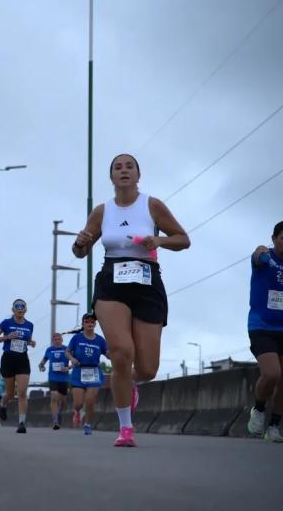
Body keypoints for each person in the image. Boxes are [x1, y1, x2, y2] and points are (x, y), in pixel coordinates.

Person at [73, 153, 190, 447]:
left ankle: (132, 382)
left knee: (148, 368)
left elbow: (183, 239)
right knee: (121, 352)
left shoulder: (152, 205)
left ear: (139, 175)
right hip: (112, 281)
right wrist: (80, 243)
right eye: (117, 167)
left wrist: (160, 240)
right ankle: (125, 428)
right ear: (111, 177)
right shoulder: (102, 211)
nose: (123, 171)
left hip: (147, 282)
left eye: (129, 167)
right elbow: (80, 251)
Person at [247, 221, 283, 442]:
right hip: (262, 326)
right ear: (274, 239)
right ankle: (259, 409)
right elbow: (257, 256)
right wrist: (259, 251)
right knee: (272, 373)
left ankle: (275, 426)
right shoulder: (265, 258)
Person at [0, 299, 36, 433]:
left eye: (22, 307)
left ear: (25, 310)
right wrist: (7, 337)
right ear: (13, 310)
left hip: (22, 359)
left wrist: (31, 342)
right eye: (17, 307)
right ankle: (4, 403)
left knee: (22, 392)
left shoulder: (29, 325)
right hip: (8, 359)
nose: (20, 309)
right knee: (10, 394)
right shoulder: (6, 323)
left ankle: (22, 423)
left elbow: (26, 340)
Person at [66, 314, 109, 435]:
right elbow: (67, 352)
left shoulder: (100, 340)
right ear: (83, 324)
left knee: (90, 400)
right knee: (78, 403)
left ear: (95, 324)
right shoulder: (77, 338)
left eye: (92, 322)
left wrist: (115, 354)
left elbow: (107, 354)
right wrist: (72, 359)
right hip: (79, 371)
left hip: (94, 372)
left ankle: (88, 424)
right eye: (87, 321)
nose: (90, 324)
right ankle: (77, 411)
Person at [38, 332, 71, 430]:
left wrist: (68, 368)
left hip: (64, 378)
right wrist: (41, 366)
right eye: (55, 339)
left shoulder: (67, 349)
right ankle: (55, 421)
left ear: (62, 340)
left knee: (64, 402)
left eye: (59, 339)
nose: (57, 341)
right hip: (53, 378)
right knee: (54, 398)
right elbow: (43, 362)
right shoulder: (49, 350)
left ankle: (59, 412)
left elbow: (75, 362)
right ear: (52, 341)